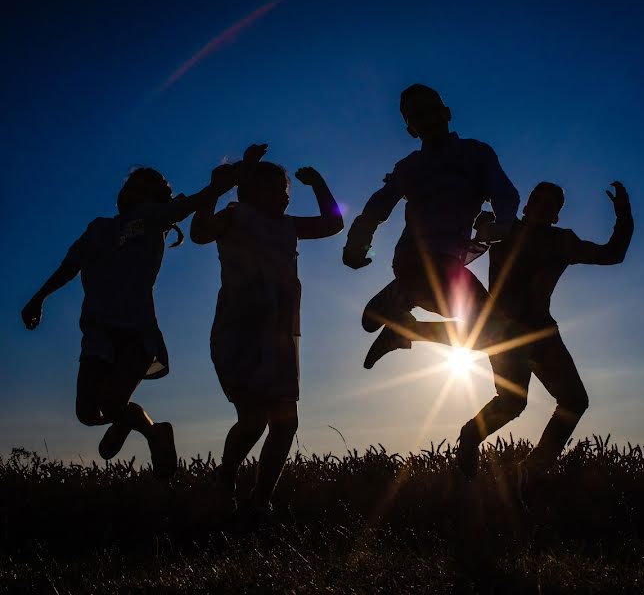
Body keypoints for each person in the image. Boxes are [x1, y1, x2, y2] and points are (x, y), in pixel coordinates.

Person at [21, 164, 237, 478]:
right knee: (87, 412)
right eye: (128, 183)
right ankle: (131, 422)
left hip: (134, 329)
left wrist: (221, 184)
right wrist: (38, 297)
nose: (129, 189)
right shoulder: (98, 228)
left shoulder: (152, 217)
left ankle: (154, 434)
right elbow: (70, 265)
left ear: (155, 195)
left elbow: (192, 203)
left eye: (140, 183)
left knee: (110, 400)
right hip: (95, 331)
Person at [422, 181, 634, 489]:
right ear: (526, 205)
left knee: (574, 401)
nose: (543, 207)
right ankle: (471, 436)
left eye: (551, 205)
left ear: (556, 216)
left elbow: (613, 254)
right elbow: (460, 216)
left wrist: (623, 215)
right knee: (512, 402)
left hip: (541, 334)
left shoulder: (562, 241)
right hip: (505, 334)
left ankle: (532, 469)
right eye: (538, 200)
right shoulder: (504, 229)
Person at [191, 144, 344, 519]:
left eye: (286, 190)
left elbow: (333, 223)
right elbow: (197, 232)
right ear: (248, 191)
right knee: (254, 418)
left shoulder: (288, 225)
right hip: (239, 330)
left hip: (279, 336)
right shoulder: (234, 215)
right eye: (274, 188)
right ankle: (225, 478)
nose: (283, 195)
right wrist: (216, 189)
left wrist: (319, 182)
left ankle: (260, 500)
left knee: (285, 422)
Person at [343, 83, 520, 373]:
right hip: (416, 258)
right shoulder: (411, 166)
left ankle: (403, 308)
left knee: (499, 336)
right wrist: (356, 243)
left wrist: (502, 223)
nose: (427, 119)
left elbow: (504, 193)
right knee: (502, 333)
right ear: (412, 129)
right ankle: (402, 296)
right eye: (417, 116)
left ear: (446, 112)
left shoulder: (475, 154)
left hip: (447, 264)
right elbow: (379, 204)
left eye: (431, 110)